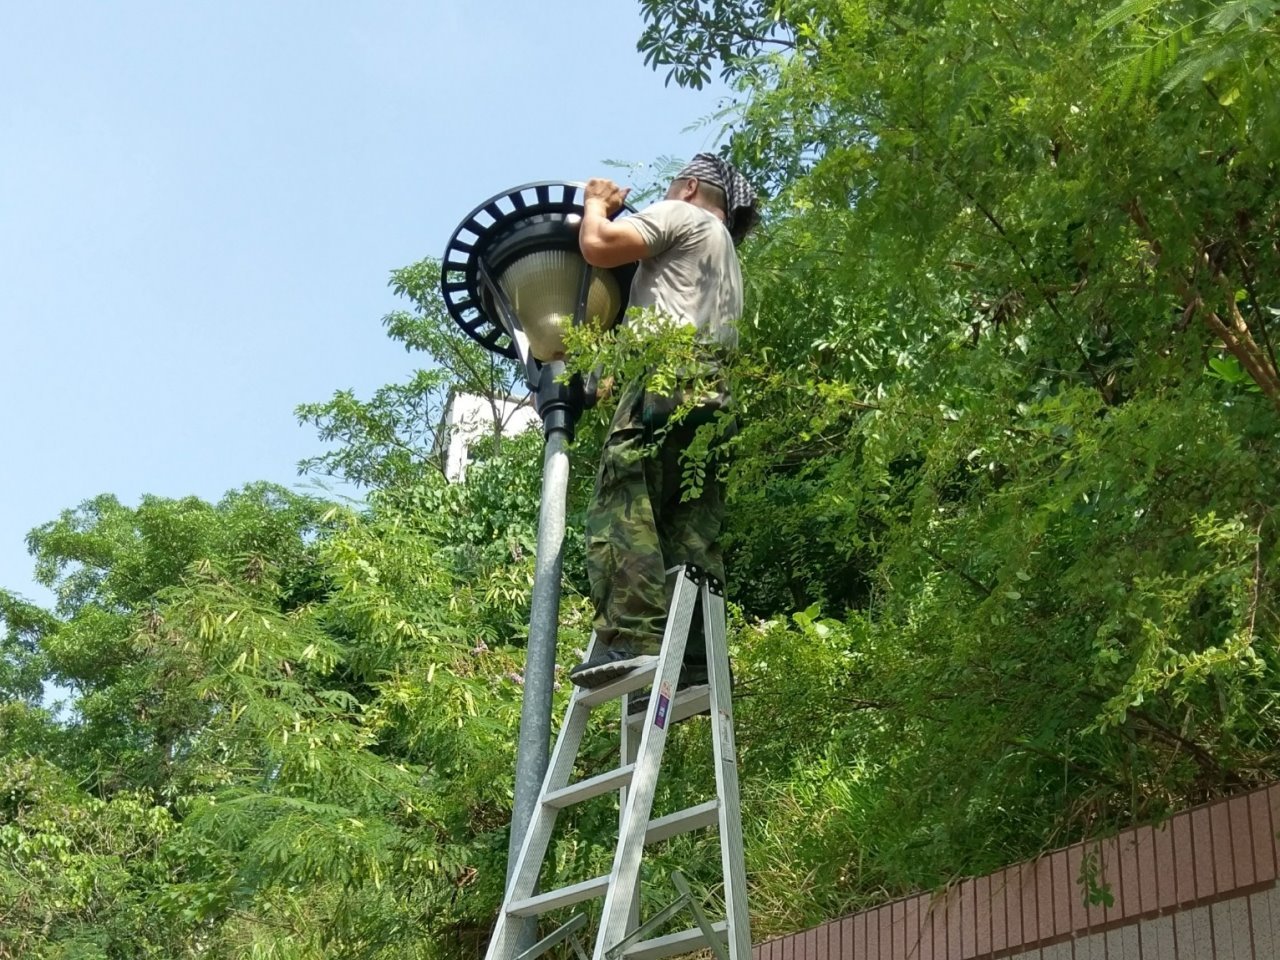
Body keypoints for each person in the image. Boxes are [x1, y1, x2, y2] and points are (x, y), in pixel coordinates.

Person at [568, 154, 759, 688]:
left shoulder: (683, 213)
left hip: (668, 374)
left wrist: (596, 203)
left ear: (690, 187)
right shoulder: (726, 258)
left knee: (625, 499)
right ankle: (695, 657)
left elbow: (598, 245)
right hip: (716, 395)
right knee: (688, 530)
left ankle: (633, 639)